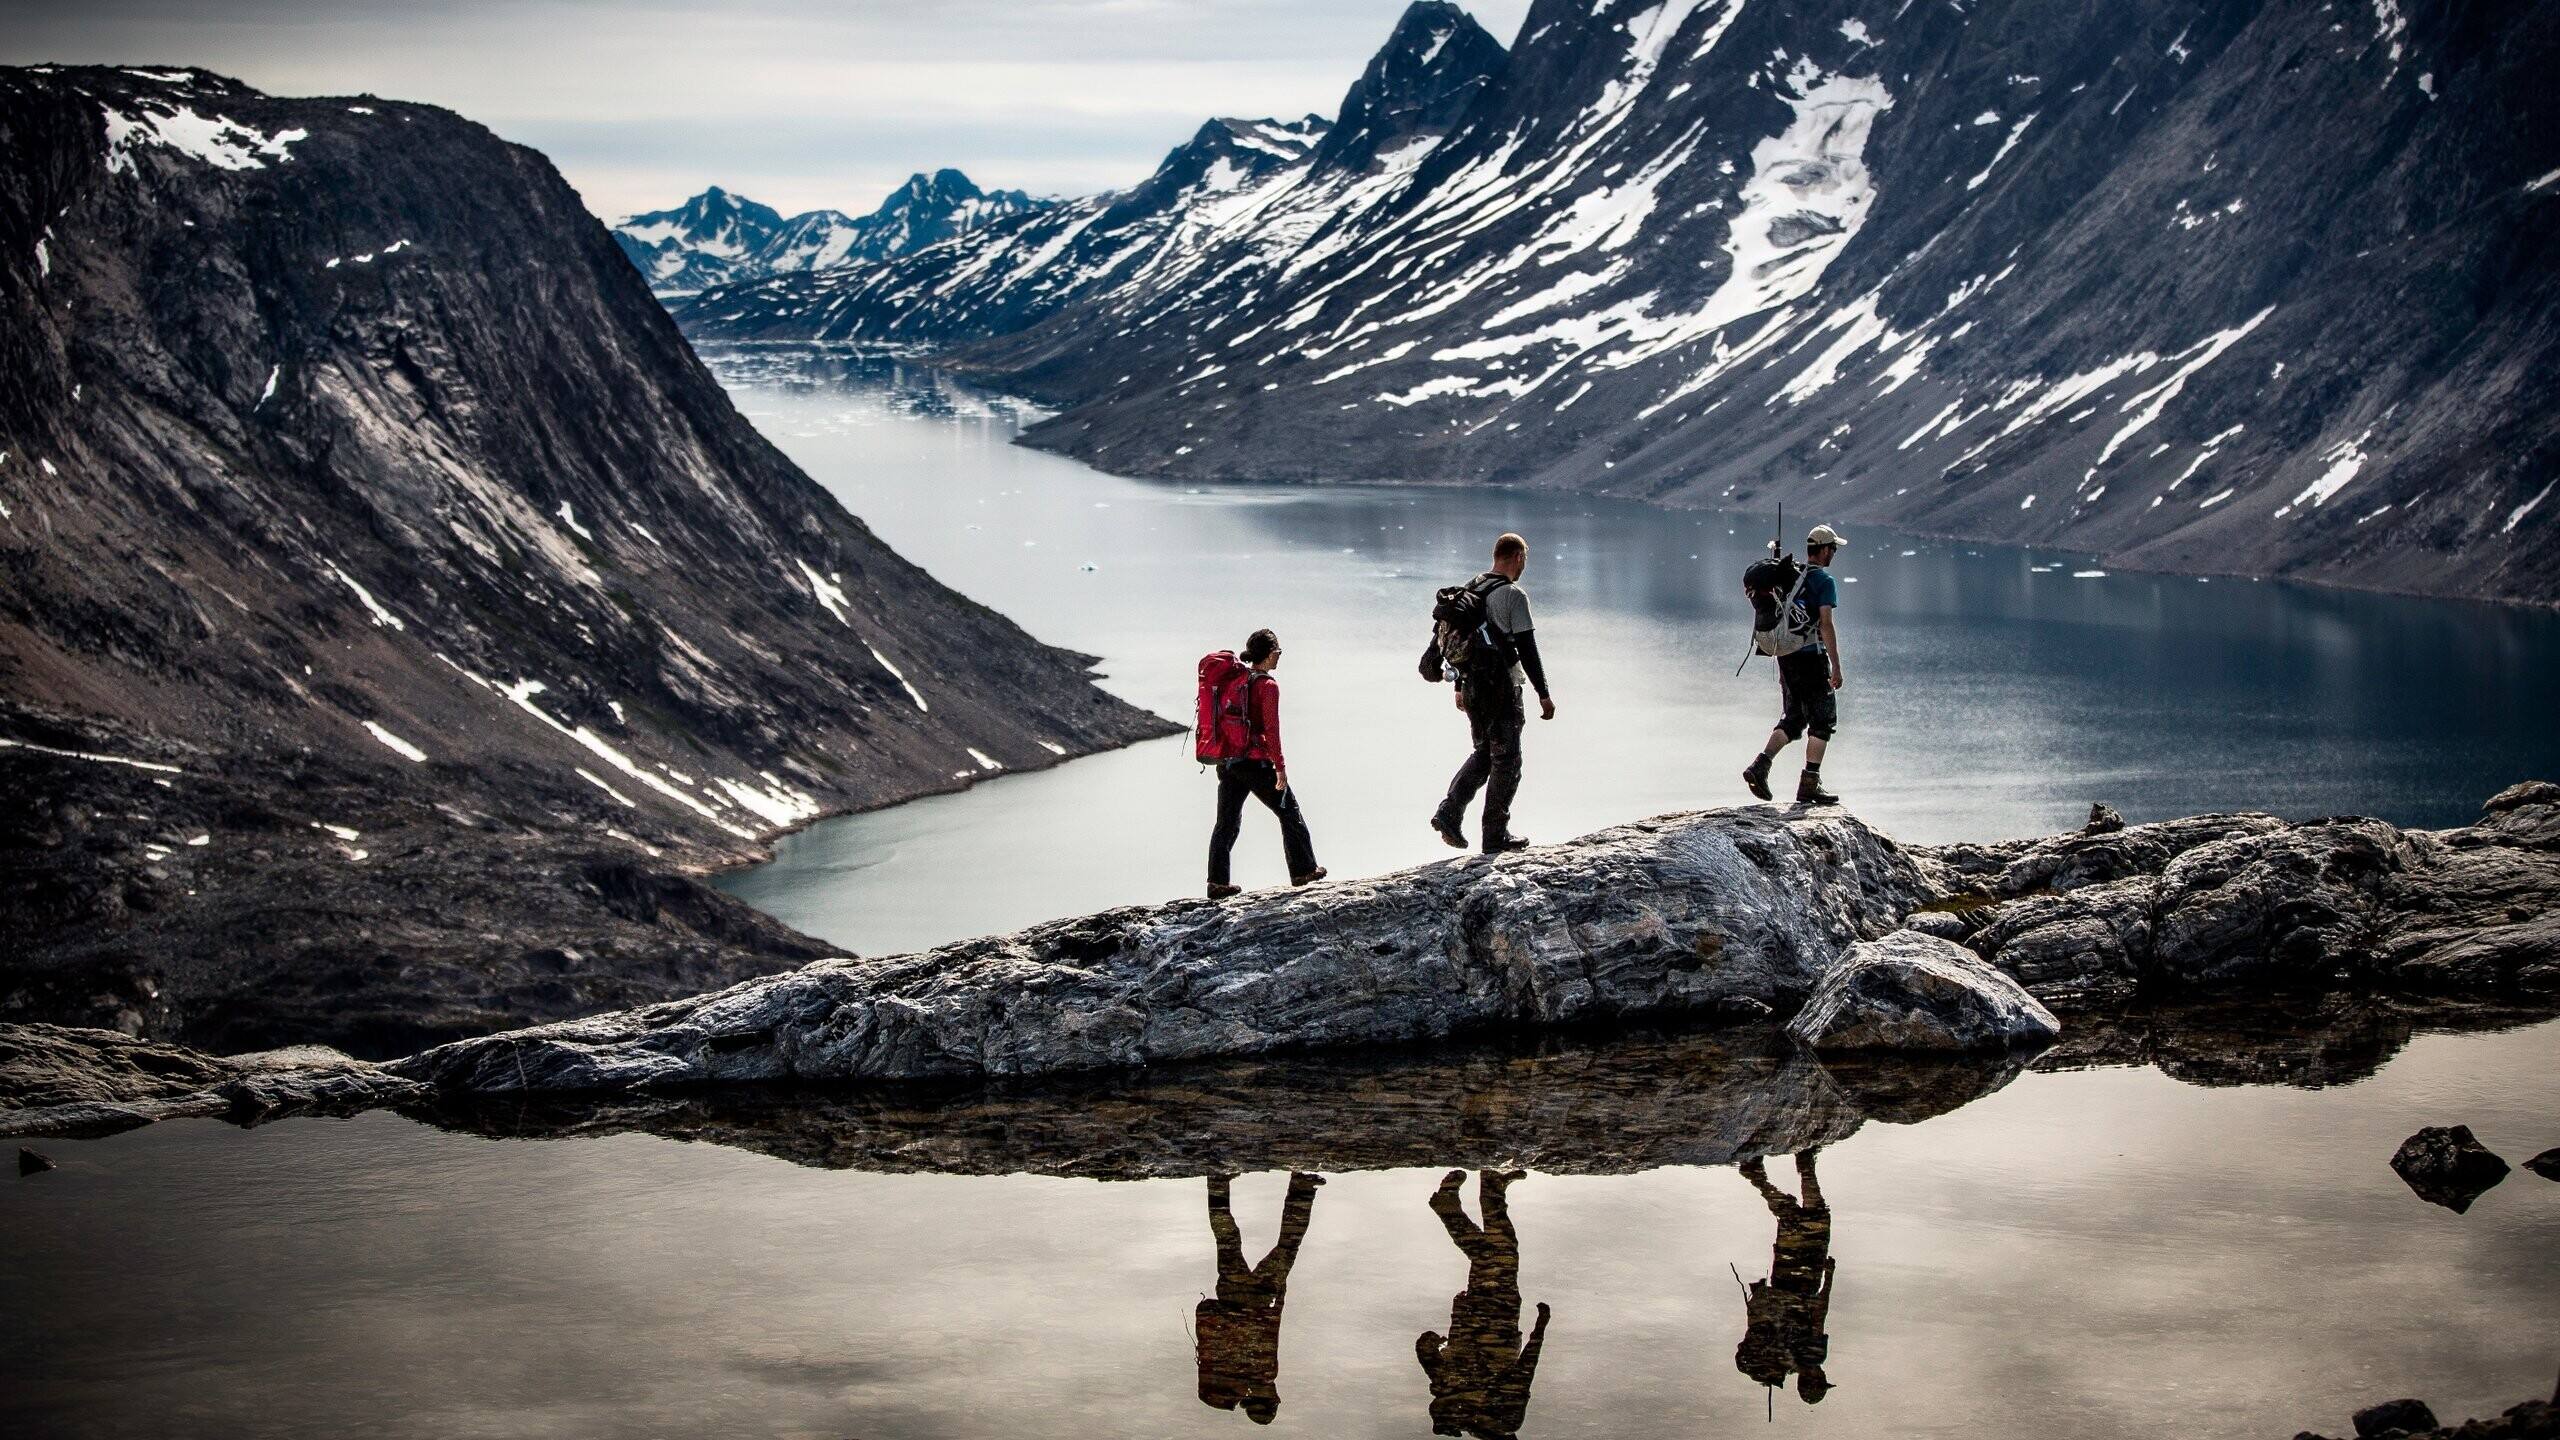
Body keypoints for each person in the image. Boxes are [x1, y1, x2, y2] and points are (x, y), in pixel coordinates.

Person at [1431, 534, 1555, 854]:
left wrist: (1458, 686)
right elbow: (1527, 649)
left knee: (1485, 754)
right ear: (1517, 558)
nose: (1524, 565)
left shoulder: (1471, 588)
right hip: (1501, 689)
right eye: (1524, 559)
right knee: (1507, 760)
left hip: (1472, 687)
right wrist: (1543, 693)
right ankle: (1495, 836)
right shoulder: (1513, 595)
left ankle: (1449, 812)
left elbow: (1459, 644)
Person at [1416, 1169, 1552, 1440]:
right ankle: (1465, 1200)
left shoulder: (1506, 1419)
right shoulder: (1461, 1411)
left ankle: (1481, 1191)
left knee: (1501, 1254)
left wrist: (1540, 1331)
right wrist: (1429, 1344)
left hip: (1496, 1322)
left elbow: (1525, 1370)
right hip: (1473, 1322)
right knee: (1489, 1256)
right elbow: (1432, 1365)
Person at [1196, 1172, 1325, 1425]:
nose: (1276, 1394)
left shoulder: (1265, 1373)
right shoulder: (1237, 1378)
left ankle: (1303, 1186)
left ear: (1265, 1397)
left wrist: (1282, 1296)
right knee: (1227, 1240)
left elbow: (1270, 1331)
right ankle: (1217, 1182)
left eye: (1273, 1398)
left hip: (1260, 1295)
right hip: (1229, 1296)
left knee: (1288, 1245)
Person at [1207, 629, 1323, 900]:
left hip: (1229, 762)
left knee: (1226, 822)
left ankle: (1217, 883)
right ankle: (1304, 870)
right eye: (1279, 652)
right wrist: (1279, 767)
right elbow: (1272, 730)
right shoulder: (1267, 686)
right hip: (1255, 763)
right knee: (1289, 812)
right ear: (1270, 654)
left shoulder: (1238, 680)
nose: (1280, 656)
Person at [1742, 524, 1846, 807]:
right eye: (1833, 548)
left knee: (1794, 718)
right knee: (1823, 721)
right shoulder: (1824, 582)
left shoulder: (1792, 576)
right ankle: (1810, 784)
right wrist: (1836, 667)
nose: (1834, 553)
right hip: (1811, 657)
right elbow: (1826, 624)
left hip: (1786, 657)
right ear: (1824, 550)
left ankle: (1760, 766)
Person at [1733, 1150, 1837, 1406]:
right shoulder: (1785, 1363)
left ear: (1816, 1378)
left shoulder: (1812, 1357)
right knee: (1791, 1221)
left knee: (1817, 1217)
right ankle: (1769, 1175)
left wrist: (1829, 1277)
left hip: (1805, 1279)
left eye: (1820, 1379)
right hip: (1782, 1280)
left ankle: (1792, 1170)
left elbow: (1818, 1316)